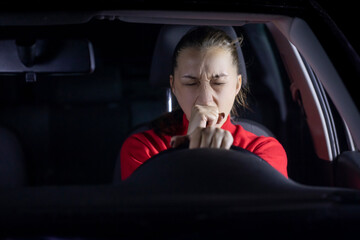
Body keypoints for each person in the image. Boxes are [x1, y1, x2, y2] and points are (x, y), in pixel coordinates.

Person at [120, 26, 287, 180]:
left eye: (218, 83)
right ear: (174, 86)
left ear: (237, 85)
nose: (205, 99)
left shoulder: (262, 150)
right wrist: (188, 151)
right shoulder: (144, 148)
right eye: (190, 83)